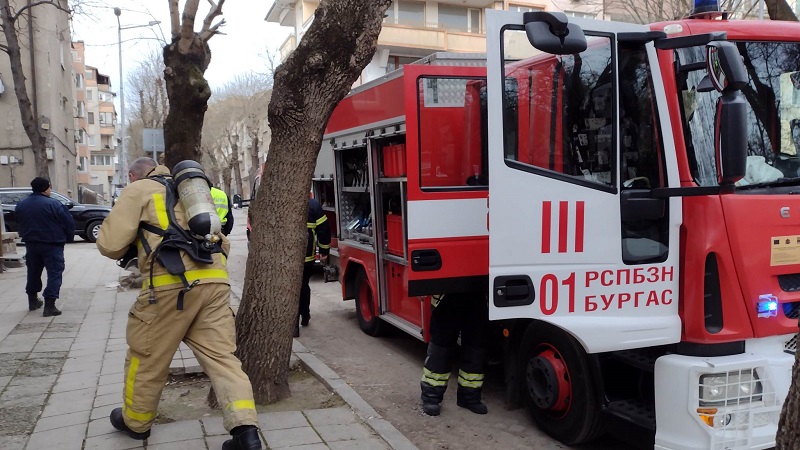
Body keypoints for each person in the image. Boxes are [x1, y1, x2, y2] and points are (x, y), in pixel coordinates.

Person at [96, 158, 262, 450]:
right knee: (223, 360)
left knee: (146, 358)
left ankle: (136, 423)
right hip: (214, 283)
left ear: (133, 175)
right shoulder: (190, 191)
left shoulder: (138, 190)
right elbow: (222, 242)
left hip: (168, 288)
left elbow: (109, 244)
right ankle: (246, 431)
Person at [420, 292, 489, 416]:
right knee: (441, 349)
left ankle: (469, 397)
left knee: (475, 348)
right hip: (446, 295)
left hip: (476, 294)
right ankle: (431, 396)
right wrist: (421, 286)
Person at [16, 177, 73, 316]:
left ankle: (33, 300)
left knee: (33, 272)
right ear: (46, 188)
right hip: (52, 244)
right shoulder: (54, 204)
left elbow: (19, 221)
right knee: (54, 273)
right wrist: (69, 238)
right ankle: (50, 305)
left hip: (31, 244)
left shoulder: (22, 204)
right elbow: (68, 223)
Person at [295, 197, 331, 337]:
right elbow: (324, 228)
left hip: (288, 257)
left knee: (292, 288)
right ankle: (305, 315)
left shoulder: (281, 200)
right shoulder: (313, 204)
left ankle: (294, 325)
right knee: (303, 285)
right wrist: (324, 251)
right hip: (307, 254)